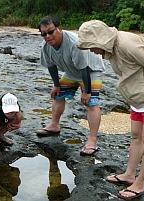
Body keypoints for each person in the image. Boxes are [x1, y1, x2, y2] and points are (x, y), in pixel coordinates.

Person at [77, 20, 144, 200]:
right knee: (136, 137)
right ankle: (129, 174)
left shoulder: (127, 44)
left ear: (99, 39)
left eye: (91, 46)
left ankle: (139, 184)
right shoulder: (112, 47)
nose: (91, 51)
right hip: (138, 98)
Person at [36, 15, 105, 156]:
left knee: (91, 103)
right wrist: (56, 84)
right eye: (44, 34)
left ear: (59, 28)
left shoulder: (74, 43)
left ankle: (92, 140)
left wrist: (86, 91)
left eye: (50, 31)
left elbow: (84, 69)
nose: (47, 36)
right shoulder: (46, 47)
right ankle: (54, 125)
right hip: (71, 71)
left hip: (91, 70)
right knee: (58, 95)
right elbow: (51, 66)